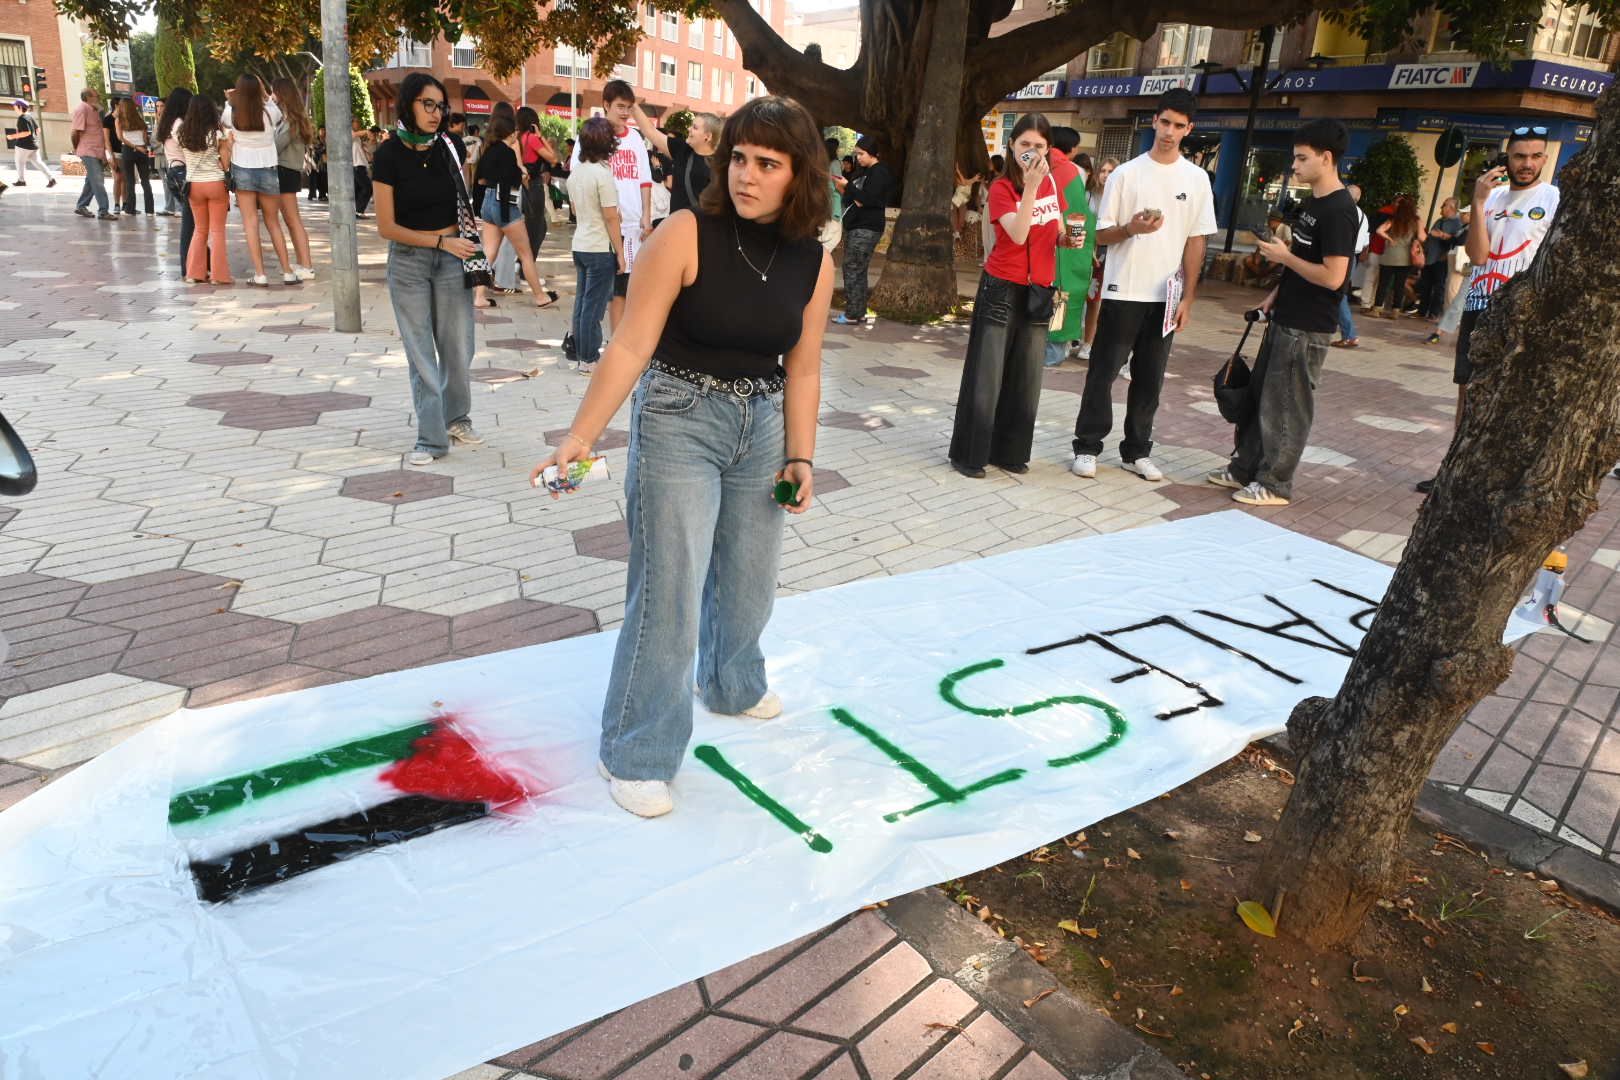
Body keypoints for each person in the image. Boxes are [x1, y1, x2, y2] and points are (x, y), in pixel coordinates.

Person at [531, 96, 833, 819]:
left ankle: (731, 682)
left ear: (799, 177)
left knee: (750, 576)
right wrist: (581, 436)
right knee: (670, 586)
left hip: (761, 426)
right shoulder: (685, 232)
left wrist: (802, 457)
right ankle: (635, 749)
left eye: (768, 163)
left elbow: (806, 367)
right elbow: (631, 344)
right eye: (739, 158)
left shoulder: (813, 262)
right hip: (678, 417)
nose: (747, 176)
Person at [1208, 119, 1357, 508]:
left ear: (1327, 159)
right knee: (1263, 400)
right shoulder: (1315, 202)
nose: (1294, 165)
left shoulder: (1341, 210)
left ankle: (1275, 483)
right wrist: (1274, 293)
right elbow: (1303, 261)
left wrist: (1284, 256)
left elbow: (1334, 277)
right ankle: (1246, 469)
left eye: (1302, 158)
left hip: (1308, 327)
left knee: (1288, 406)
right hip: (1285, 318)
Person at [1070, 88, 1216, 483]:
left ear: (1189, 129)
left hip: (1165, 297)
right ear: (1154, 121)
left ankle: (1137, 451)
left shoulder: (1197, 179)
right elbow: (1099, 236)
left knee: (1150, 378)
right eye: (1164, 122)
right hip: (1123, 290)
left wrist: (1188, 297)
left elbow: (1196, 240)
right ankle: (1087, 445)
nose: (1170, 131)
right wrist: (1131, 229)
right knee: (1103, 372)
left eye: (1179, 125)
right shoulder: (1125, 174)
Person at [1414, 127, 1558, 493]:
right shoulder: (1490, 199)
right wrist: (1477, 203)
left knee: (1513, 395)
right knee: (1468, 389)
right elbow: (1479, 256)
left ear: (1544, 158)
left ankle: (1498, 481)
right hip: (1480, 305)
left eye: (1535, 156)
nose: (1527, 164)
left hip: (1522, 309)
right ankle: (1454, 473)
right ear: (1507, 158)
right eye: (1519, 156)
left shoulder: (1553, 198)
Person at [949, 113, 1073, 479]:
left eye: (1038, 146)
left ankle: (1010, 451)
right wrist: (1031, 189)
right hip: (1002, 286)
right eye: (1024, 145)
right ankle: (970, 454)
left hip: (1040, 288)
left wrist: (1069, 239)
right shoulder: (1002, 188)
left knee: (1026, 375)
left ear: (1048, 149)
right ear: (1012, 146)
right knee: (987, 374)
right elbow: (1017, 235)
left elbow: (1058, 230)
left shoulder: (1052, 185)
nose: (1031, 153)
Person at [372, 71, 482, 469]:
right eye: (427, 104)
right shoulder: (387, 155)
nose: (435, 113)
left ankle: (457, 418)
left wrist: (461, 240)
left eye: (440, 106)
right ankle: (431, 438)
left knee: (457, 345)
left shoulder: (451, 146)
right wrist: (439, 242)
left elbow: (464, 200)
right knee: (421, 351)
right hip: (409, 261)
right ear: (409, 105)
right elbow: (386, 226)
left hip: (454, 256)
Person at [569, 80, 653, 331]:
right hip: (599, 227)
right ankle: (583, 345)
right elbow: (576, 176)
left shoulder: (636, 138)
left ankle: (615, 340)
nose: (625, 112)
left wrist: (646, 215)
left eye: (629, 107)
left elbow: (644, 179)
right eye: (620, 106)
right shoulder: (590, 137)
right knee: (591, 291)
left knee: (622, 289)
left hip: (630, 225)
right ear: (606, 105)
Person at [471, 105, 556, 311]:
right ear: (509, 134)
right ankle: (539, 296)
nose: (516, 136)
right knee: (526, 253)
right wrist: (523, 174)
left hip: (488, 204)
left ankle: (479, 296)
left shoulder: (488, 150)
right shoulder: (507, 152)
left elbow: (479, 179)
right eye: (514, 133)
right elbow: (515, 179)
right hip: (505, 205)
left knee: (489, 251)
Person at [223, 75, 297, 286]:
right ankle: (287, 271)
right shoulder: (270, 111)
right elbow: (272, 105)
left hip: (243, 168)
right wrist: (264, 93)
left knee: (250, 223)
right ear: (260, 89)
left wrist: (232, 98)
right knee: (273, 221)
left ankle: (260, 274)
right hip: (268, 168)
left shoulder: (231, 112)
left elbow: (226, 120)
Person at [566, 117, 625, 374]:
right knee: (594, 306)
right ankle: (589, 358)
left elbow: (578, 210)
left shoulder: (576, 172)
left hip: (580, 243)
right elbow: (611, 217)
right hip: (600, 247)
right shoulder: (602, 175)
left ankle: (581, 355)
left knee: (581, 303)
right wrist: (621, 254)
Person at [1044, 126, 1093, 368]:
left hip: (1037, 240)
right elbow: (1077, 213)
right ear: (1072, 148)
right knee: (1062, 293)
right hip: (1065, 242)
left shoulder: (1035, 163)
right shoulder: (1074, 171)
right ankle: (1053, 351)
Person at [832, 135, 894, 325]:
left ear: (872, 154)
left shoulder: (879, 172)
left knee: (852, 267)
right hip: (856, 224)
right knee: (857, 269)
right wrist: (844, 188)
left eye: (861, 154)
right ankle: (857, 311)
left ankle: (852, 313)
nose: (858, 158)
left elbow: (867, 199)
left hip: (866, 227)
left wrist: (848, 186)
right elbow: (855, 199)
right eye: (856, 154)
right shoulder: (864, 172)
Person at [178, 94, 233, 286]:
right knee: (217, 231)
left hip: (193, 185)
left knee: (199, 230)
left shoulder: (182, 133)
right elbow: (226, 164)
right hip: (215, 183)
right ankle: (219, 276)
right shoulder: (217, 133)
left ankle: (193, 273)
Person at [631, 103, 719, 217]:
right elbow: (650, 131)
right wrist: (632, 104)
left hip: (701, 230)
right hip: (675, 227)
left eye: (695, 127)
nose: (689, 129)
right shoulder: (682, 149)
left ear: (708, 136)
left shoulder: (722, 166)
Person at [269, 78, 316, 282]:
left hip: (285, 171)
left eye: (274, 92)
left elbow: (276, 146)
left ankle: (307, 265)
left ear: (281, 93)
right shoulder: (289, 119)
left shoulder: (291, 122)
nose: (272, 96)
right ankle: (303, 263)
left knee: (293, 220)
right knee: (290, 220)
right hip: (287, 171)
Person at [1077, 156, 1117, 361]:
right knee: (1076, 295)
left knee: (1094, 300)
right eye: (1103, 171)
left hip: (1105, 253)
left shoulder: (1119, 199)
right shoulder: (1088, 195)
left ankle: (1088, 343)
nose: (1106, 175)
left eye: (1111, 172)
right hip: (1082, 249)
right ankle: (1069, 338)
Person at [515, 106, 559, 267]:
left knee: (532, 227)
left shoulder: (518, 138)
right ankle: (526, 266)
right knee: (537, 230)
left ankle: (522, 264)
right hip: (534, 186)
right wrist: (541, 138)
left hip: (523, 185)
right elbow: (553, 158)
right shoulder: (532, 139)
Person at [156, 88, 194, 267]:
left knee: (192, 221)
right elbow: (189, 147)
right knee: (191, 223)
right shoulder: (178, 124)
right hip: (183, 173)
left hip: (174, 173)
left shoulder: (168, 122)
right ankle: (189, 265)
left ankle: (195, 262)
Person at [1371, 194, 1425, 318]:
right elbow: (1422, 237)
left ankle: (1377, 309)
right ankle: (1395, 311)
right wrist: (1415, 241)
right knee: (1399, 284)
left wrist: (1389, 238)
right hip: (1405, 257)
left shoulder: (1393, 219)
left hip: (1389, 255)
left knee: (1383, 283)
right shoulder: (1416, 220)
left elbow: (1379, 230)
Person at [1330, 183, 1369, 349]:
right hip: (1352, 257)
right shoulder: (1363, 216)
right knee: (1337, 293)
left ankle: (1350, 335)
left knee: (1338, 295)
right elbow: (1365, 242)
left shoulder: (1343, 212)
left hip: (1341, 256)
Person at [1416, 197, 1464, 318]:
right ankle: (1422, 311)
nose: (1441, 207)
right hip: (1430, 258)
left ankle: (1434, 313)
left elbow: (1456, 242)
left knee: (1439, 287)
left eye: (1444, 205)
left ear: (1452, 208)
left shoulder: (1457, 224)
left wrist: (1442, 237)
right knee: (1425, 285)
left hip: (1441, 259)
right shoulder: (1439, 221)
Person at [70, 88, 114, 220]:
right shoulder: (81, 109)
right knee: (98, 181)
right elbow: (75, 132)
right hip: (87, 150)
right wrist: (76, 147)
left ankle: (81, 205)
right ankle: (103, 210)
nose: (99, 97)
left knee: (91, 181)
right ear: (88, 97)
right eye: (96, 95)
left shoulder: (95, 110)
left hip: (96, 151)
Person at [114, 98, 156, 216]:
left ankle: (130, 209)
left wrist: (134, 147)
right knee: (145, 181)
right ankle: (150, 210)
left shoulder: (119, 120)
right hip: (142, 150)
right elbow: (144, 138)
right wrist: (141, 147)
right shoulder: (140, 120)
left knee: (130, 181)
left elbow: (120, 138)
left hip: (128, 150)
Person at [1234, 209, 1292, 288]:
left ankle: (1258, 279)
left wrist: (1277, 251)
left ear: (1276, 221)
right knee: (1248, 260)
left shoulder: (1286, 228)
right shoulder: (1269, 230)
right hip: (1268, 254)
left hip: (1281, 256)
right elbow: (1263, 242)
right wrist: (1256, 255)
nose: (1268, 222)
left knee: (1270, 265)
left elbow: (1288, 241)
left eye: (1270, 220)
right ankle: (1260, 278)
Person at [8, 100, 55, 186]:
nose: (14, 108)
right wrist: (33, 138)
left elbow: (26, 132)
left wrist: (12, 136)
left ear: (20, 107)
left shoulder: (22, 118)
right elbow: (38, 130)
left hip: (23, 146)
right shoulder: (30, 116)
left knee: (19, 162)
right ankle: (51, 179)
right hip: (34, 145)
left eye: (15, 106)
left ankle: (21, 181)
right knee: (38, 163)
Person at [819, 136, 843, 254]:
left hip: (823, 203)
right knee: (833, 237)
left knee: (825, 234)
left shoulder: (821, 164)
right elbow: (839, 183)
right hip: (834, 203)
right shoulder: (835, 164)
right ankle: (820, 261)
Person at [103, 99, 126, 213]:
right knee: (117, 178)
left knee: (125, 179)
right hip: (114, 152)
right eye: (122, 105)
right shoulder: (107, 120)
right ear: (116, 105)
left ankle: (125, 203)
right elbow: (106, 140)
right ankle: (117, 204)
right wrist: (110, 156)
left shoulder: (125, 119)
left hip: (125, 152)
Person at [352, 119, 376, 216]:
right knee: (368, 188)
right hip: (357, 166)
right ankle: (359, 210)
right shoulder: (350, 133)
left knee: (359, 189)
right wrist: (366, 131)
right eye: (356, 122)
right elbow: (355, 134)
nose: (358, 124)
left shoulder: (357, 139)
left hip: (361, 165)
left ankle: (357, 211)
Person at [307, 126, 328, 200]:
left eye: (324, 130)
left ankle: (322, 195)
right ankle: (313, 195)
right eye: (321, 130)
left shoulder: (326, 140)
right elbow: (316, 149)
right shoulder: (316, 140)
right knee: (314, 179)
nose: (323, 132)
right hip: (315, 162)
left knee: (323, 179)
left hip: (324, 163)